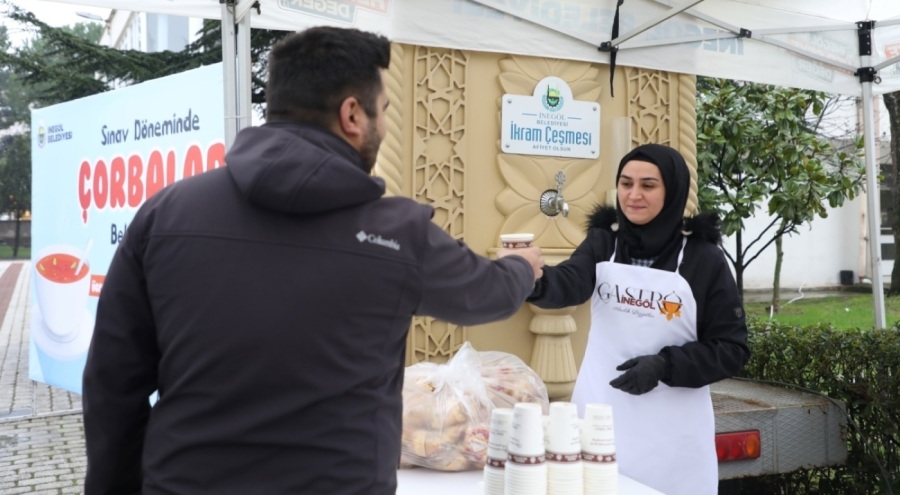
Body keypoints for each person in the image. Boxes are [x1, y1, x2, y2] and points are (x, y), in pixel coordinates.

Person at [82, 26, 544, 495]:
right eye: (382, 112)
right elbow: (487, 293)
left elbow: (112, 384)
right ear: (351, 115)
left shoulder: (166, 214)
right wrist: (522, 265)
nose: (383, 126)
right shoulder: (398, 233)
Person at [510, 143, 750, 495]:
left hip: (672, 437)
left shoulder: (703, 259)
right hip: (598, 419)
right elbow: (570, 283)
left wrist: (664, 365)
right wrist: (530, 278)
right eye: (625, 183)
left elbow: (732, 348)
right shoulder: (604, 243)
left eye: (648, 185)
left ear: (672, 192)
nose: (633, 195)